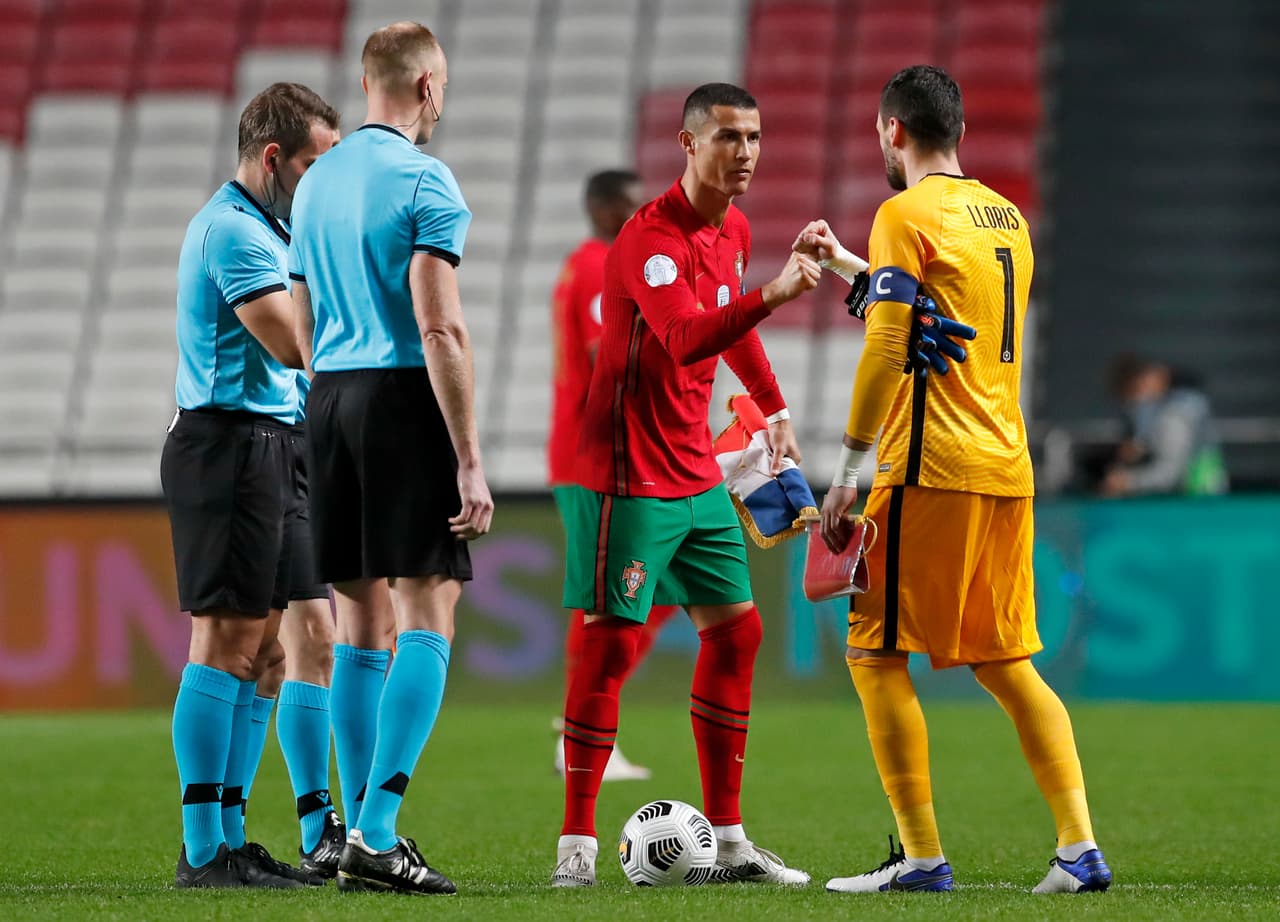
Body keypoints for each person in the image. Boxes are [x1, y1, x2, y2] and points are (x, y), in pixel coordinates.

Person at [802, 65, 1111, 895]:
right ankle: (1079, 850)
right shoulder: (1008, 219)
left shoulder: (904, 213)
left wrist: (847, 472)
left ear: (890, 132)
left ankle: (920, 857)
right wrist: (843, 266)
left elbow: (892, 343)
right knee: (1009, 661)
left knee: (873, 654)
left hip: (928, 466)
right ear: (962, 134)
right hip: (1006, 468)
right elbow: (938, 322)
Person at [551, 82, 818, 889]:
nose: (746, 153)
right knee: (606, 649)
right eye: (730, 137)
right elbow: (680, 335)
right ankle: (576, 850)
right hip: (626, 472)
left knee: (738, 633)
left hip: (695, 468)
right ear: (688, 143)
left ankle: (731, 843)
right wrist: (774, 294)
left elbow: (729, 320)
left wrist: (772, 408)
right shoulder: (648, 240)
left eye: (756, 137)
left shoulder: (731, 229)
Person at [289, 21, 493, 896]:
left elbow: (299, 316)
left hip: (327, 394)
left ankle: (353, 834)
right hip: (401, 397)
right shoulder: (423, 179)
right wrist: (470, 458)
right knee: (427, 612)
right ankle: (377, 831)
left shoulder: (313, 183)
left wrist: (328, 390)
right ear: (425, 89)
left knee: (358, 620)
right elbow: (439, 323)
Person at [163, 82, 340, 889]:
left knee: (270, 654)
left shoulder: (273, 228)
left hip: (276, 444)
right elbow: (293, 342)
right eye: (316, 164)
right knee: (226, 644)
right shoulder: (233, 232)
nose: (326, 182)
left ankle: (231, 835)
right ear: (274, 159)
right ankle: (205, 848)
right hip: (229, 447)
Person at [548, 168, 677, 783]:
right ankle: (580, 734)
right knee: (603, 601)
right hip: (594, 456)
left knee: (666, 588)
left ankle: (583, 724)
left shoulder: (589, 262)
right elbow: (610, 352)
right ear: (603, 211)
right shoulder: (602, 263)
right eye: (629, 208)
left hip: (611, 453)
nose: (639, 218)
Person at [1099, 353, 1228, 496]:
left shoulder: (1177, 412)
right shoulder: (1155, 410)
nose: (1135, 404)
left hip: (1197, 495)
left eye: (1135, 391)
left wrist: (1128, 481)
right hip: (1183, 495)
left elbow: (1171, 473)